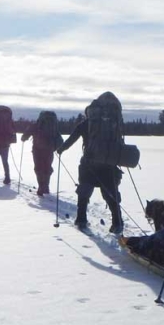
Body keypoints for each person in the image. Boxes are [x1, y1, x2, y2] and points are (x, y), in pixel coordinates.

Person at [57, 92, 124, 233]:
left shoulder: (86, 124)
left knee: (84, 192)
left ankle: (81, 220)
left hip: (89, 165)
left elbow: (72, 138)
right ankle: (117, 223)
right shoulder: (114, 123)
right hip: (109, 164)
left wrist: (61, 149)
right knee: (111, 194)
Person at [21, 111, 64, 196]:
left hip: (37, 150)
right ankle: (46, 187)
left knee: (38, 168)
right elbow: (60, 139)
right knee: (47, 168)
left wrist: (23, 138)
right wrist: (56, 148)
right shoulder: (53, 126)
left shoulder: (36, 125)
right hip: (49, 150)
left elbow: (25, 135)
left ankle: (41, 187)